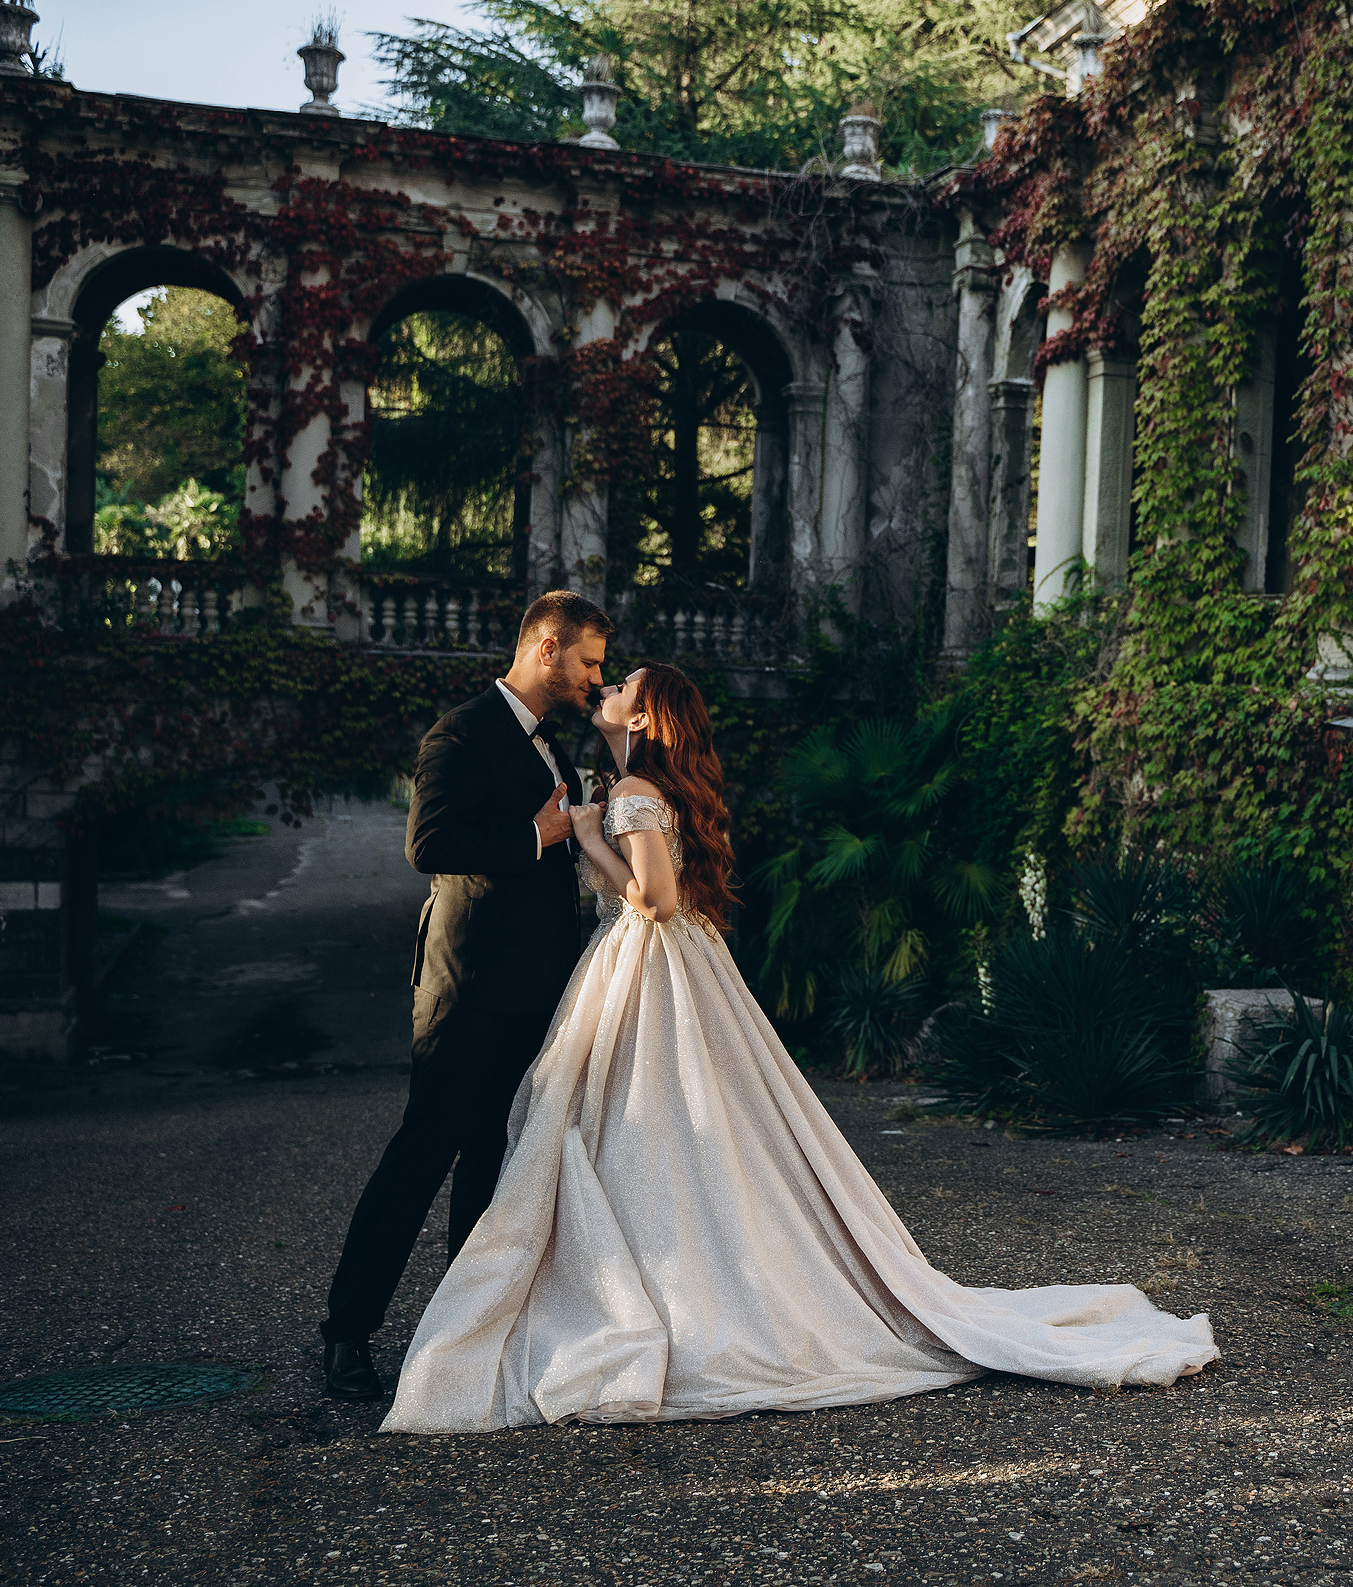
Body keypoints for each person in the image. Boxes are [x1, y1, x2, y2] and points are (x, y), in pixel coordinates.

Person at [381, 661, 1217, 1431]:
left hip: (651, 963)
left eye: (621, 682)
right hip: (645, 968)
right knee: (649, 1130)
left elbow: (658, 902)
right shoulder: (629, 781)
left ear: (646, 714)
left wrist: (591, 838)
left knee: (640, 1126)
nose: (605, 686)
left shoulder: (635, 788)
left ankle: (668, 1294)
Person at [320, 591, 614, 1403]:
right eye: (588, 660)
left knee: (497, 1160)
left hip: (534, 988)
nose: (597, 676)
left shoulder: (554, 742)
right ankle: (346, 1332)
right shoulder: (460, 732)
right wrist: (537, 837)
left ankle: (465, 1333)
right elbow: (430, 844)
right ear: (547, 648)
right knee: (425, 1152)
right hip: (470, 988)